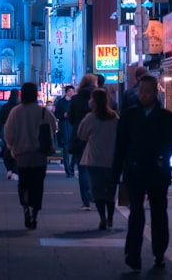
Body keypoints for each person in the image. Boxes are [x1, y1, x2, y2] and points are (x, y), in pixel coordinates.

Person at [113, 74, 172, 271]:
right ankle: (133, 254)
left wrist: (161, 159)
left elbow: (169, 144)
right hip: (135, 170)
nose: (143, 95)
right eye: (141, 91)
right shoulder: (130, 116)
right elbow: (120, 146)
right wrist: (116, 173)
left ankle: (159, 253)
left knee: (159, 213)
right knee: (136, 214)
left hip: (157, 172)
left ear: (155, 92)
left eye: (147, 91)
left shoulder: (166, 117)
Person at [3, 82, 57, 230]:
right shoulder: (43, 112)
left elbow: (8, 134)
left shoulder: (16, 112)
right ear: (35, 94)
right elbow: (54, 127)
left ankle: (25, 207)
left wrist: (12, 147)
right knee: (38, 185)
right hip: (40, 155)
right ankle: (35, 213)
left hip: (22, 155)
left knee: (24, 183)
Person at [75, 88, 119, 230]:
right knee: (110, 190)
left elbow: (81, 134)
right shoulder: (114, 117)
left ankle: (102, 218)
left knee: (98, 190)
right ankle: (111, 217)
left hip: (95, 159)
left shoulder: (90, 118)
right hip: (112, 159)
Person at [67, 73, 97, 209]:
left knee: (82, 168)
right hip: (97, 136)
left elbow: (71, 118)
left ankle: (85, 201)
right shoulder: (99, 97)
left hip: (80, 135)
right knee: (97, 167)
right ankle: (96, 196)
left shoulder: (75, 99)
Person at [0, 88, 19, 179]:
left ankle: (9, 169)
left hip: (7, 131)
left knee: (6, 151)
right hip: (18, 132)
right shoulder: (19, 107)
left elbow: (0, 120)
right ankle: (15, 171)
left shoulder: (5, 107)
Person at [53, 85, 75, 177]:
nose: (71, 93)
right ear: (66, 92)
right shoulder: (60, 102)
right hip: (64, 126)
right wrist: (63, 115)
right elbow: (56, 114)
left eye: (72, 91)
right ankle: (68, 170)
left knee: (75, 150)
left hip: (73, 126)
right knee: (66, 148)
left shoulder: (74, 102)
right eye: (70, 91)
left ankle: (72, 167)